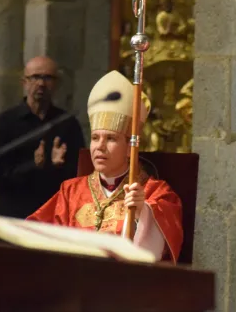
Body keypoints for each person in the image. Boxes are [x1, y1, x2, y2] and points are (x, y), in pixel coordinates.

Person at [27, 70, 183, 262]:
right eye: (95, 138)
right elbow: (34, 235)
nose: (99, 146)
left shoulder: (156, 193)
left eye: (110, 138)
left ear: (130, 148)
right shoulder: (70, 192)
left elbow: (159, 255)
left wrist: (143, 213)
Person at [0, 56, 85, 219]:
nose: (41, 83)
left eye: (47, 77)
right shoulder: (7, 121)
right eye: (35, 77)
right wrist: (33, 166)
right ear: (24, 82)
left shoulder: (67, 123)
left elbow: (80, 178)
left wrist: (57, 166)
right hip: (15, 216)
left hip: (53, 217)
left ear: (57, 84)